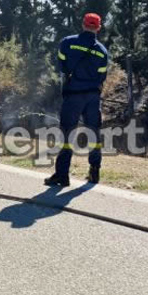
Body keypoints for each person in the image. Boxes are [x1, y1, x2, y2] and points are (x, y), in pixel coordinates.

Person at [44, 13, 109, 187]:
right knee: (94, 134)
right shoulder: (102, 51)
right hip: (93, 97)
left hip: (73, 95)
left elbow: (61, 66)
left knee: (67, 134)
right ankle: (95, 172)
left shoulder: (67, 42)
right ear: (98, 27)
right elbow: (102, 76)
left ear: (83, 24)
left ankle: (62, 176)